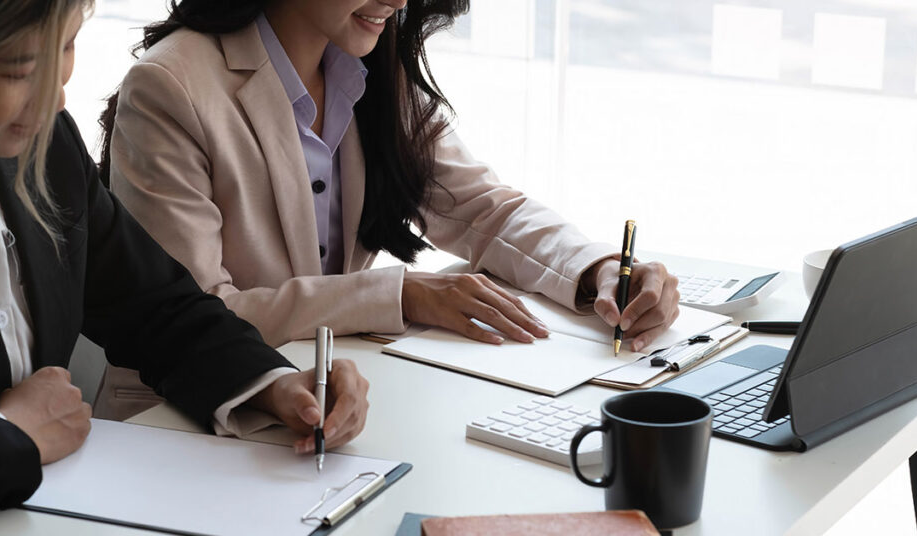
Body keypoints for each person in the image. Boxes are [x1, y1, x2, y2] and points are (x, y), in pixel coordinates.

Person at [0, 1, 370, 534]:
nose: (56, 97)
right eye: (20, 70)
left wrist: (272, 384)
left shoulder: (43, 146)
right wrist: (7, 438)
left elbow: (151, 304)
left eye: (69, 46)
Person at [97, 0, 681, 419]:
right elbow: (194, 314)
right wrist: (400, 294)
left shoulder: (366, 70)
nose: (398, 0)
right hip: (187, 421)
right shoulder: (170, 86)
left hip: (329, 402)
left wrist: (598, 269)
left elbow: (483, 210)